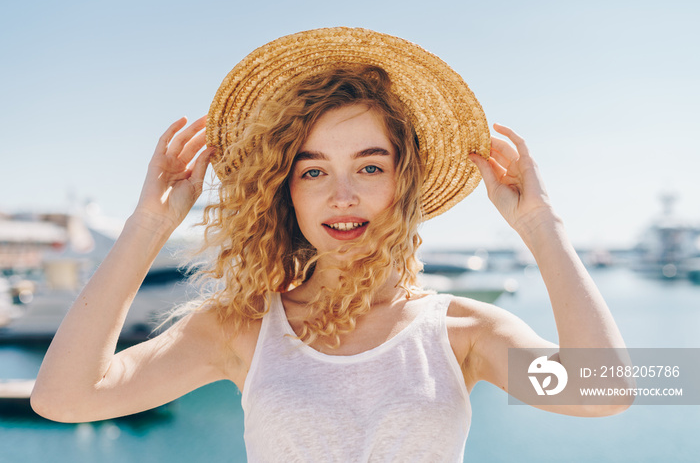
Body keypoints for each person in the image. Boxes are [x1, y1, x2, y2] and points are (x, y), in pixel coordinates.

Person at [31, 28, 630, 461]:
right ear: (285, 190)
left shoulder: (462, 332)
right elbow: (63, 398)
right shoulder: (241, 329)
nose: (342, 195)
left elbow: (605, 392)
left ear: (404, 181)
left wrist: (541, 225)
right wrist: (147, 226)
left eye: (369, 167)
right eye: (313, 171)